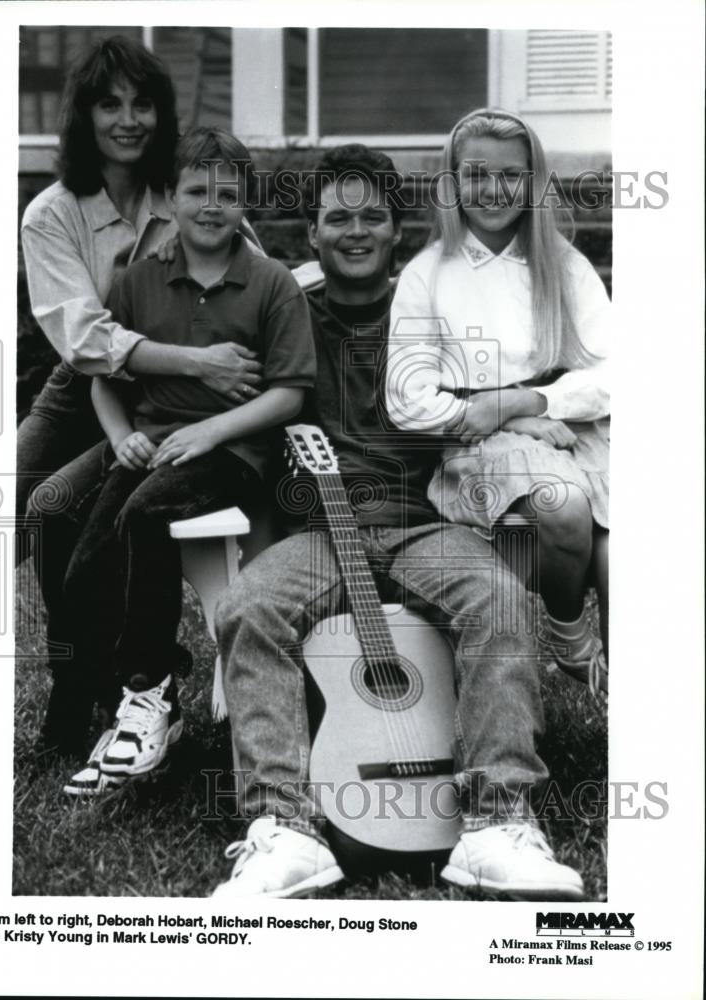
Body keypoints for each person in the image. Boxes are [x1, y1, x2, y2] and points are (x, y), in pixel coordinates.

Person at [211, 144, 585, 901]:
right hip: (321, 533)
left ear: (397, 229)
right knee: (249, 606)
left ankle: (497, 826)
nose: (355, 232)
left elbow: (503, 382)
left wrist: (523, 413)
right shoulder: (285, 313)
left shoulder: (434, 311)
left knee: (499, 601)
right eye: (337, 219)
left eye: (372, 217)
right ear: (311, 234)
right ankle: (284, 830)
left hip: (425, 523)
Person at [42, 127, 316, 795]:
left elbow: (289, 393)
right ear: (170, 198)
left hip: (234, 453)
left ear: (246, 201)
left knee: (146, 515)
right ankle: (120, 713)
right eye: (196, 191)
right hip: (152, 450)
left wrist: (213, 431)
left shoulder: (271, 282)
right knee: (85, 567)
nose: (211, 205)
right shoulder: (139, 281)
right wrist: (119, 437)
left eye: (227, 192)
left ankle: (152, 696)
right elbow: (106, 377)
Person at [18, 36, 263, 754]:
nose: (128, 120)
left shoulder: (186, 189)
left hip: (177, 400)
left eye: (143, 104)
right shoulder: (52, 214)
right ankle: (92, 666)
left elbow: (252, 277)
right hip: (89, 385)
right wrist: (196, 360)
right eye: (109, 104)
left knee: (62, 510)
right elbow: (86, 341)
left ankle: (93, 687)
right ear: (82, 115)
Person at [386, 108, 609, 697]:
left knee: (621, 548)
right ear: (453, 180)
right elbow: (407, 399)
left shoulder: (563, 265)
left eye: (510, 175)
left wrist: (527, 401)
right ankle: (567, 629)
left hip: (568, 425)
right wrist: (502, 415)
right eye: (476, 174)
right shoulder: (429, 274)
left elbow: (615, 373)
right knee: (563, 508)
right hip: (477, 442)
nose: (492, 190)